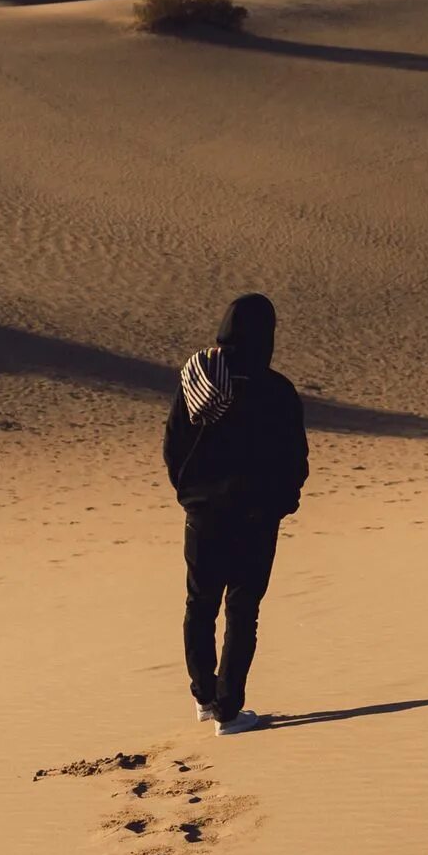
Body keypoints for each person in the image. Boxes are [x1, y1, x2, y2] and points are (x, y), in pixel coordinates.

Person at [164, 293, 308, 735]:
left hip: (204, 513)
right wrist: (282, 503)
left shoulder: (199, 377)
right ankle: (228, 711)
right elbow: (295, 459)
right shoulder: (277, 389)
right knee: (243, 608)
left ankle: (205, 698)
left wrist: (191, 495)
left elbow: (174, 446)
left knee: (200, 603)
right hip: (256, 517)